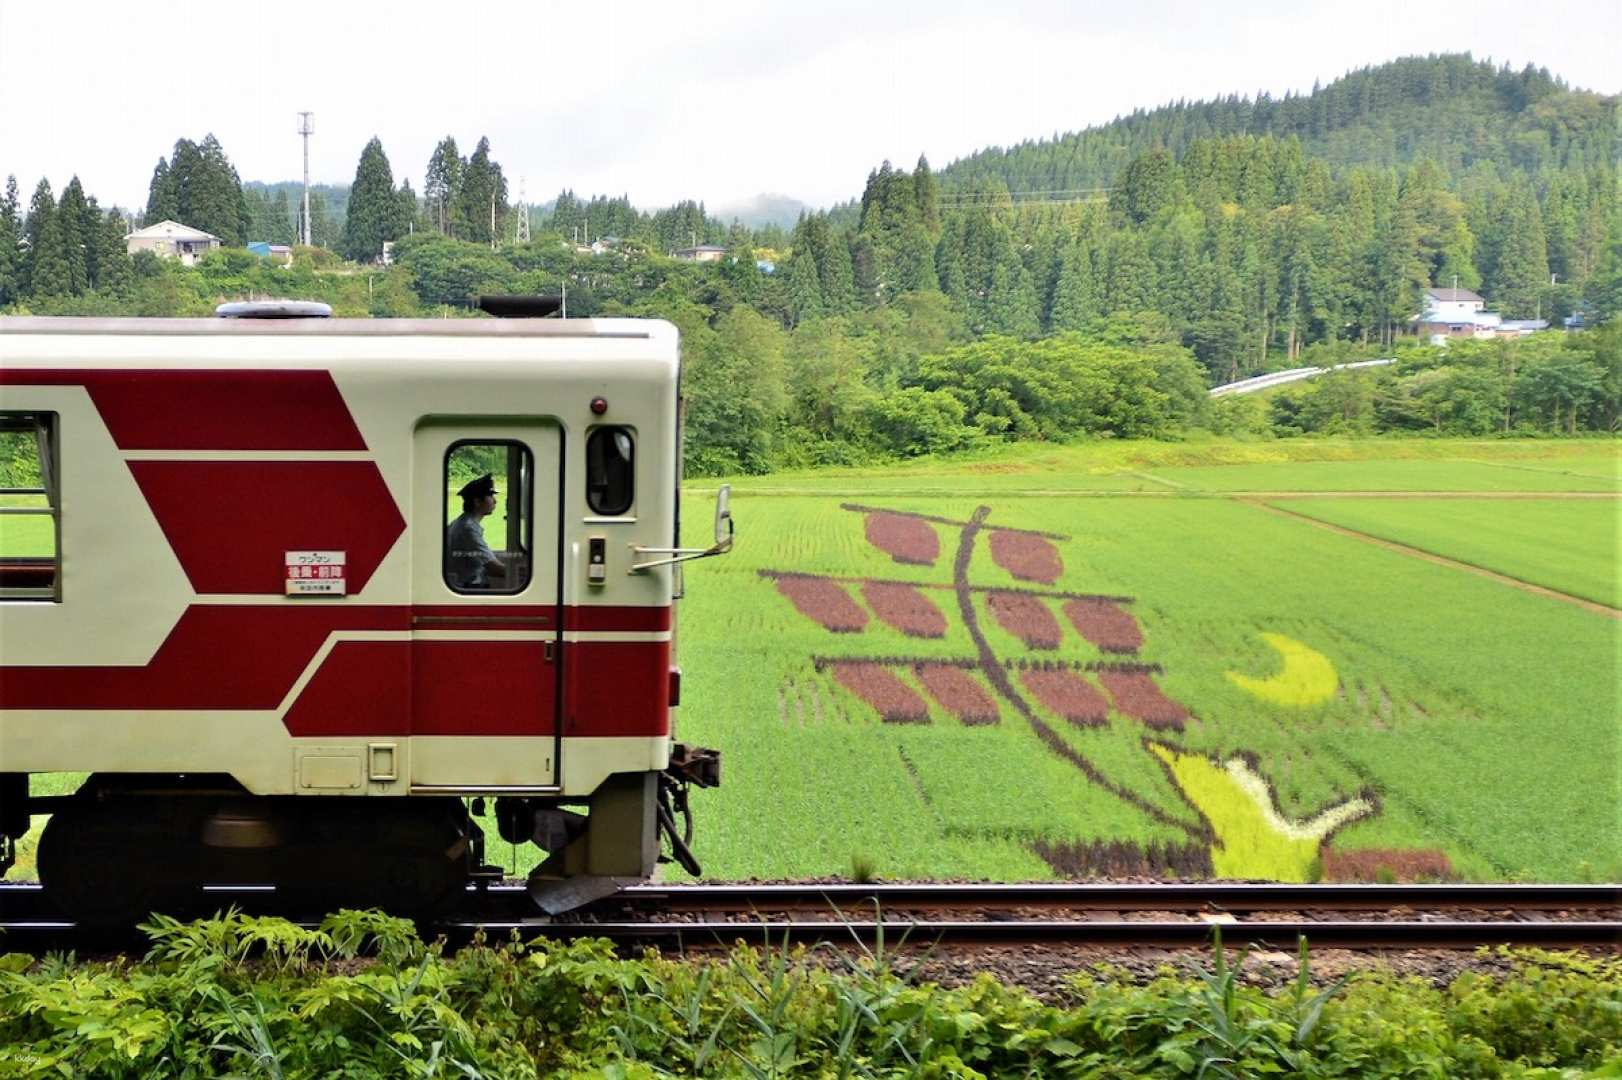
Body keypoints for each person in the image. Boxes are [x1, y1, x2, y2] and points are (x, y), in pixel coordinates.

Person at [446, 473, 507, 589]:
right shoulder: (468, 530)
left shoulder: (462, 523)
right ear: (477, 502)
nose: (495, 501)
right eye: (490, 496)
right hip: (468, 588)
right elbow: (492, 567)